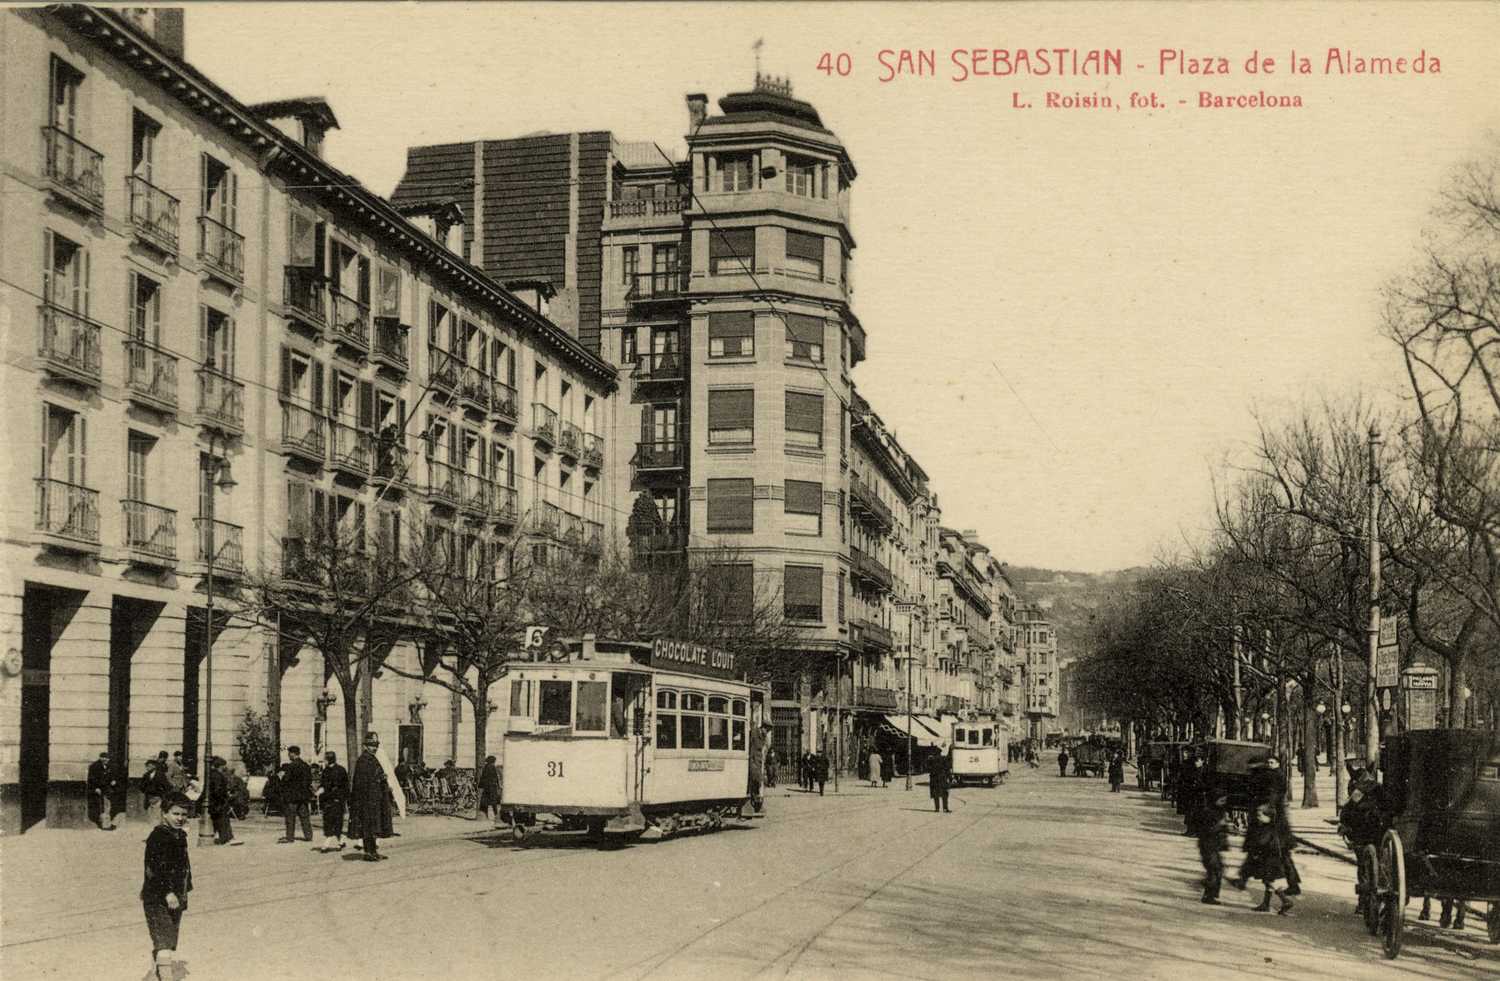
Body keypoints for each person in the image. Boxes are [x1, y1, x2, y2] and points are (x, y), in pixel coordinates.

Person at [141, 794, 193, 981]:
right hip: (158, 897)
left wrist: (185, 890)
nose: (180, 818)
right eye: (175, 813)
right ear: (164, 814)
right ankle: (165, 977)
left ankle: (155, 974)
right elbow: (154, 869)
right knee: (163, 940)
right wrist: (168, 892)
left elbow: (184, 865)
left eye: (184, 814)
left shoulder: (179, 835)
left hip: (177, 895)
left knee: (168, 939)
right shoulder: (158, 836)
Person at [1249, 756, 1300, 896]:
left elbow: (1273, 801)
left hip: (1277, 830)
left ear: (1277, 763)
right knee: (1285, 858)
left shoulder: (1275, 778)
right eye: (1268, 762)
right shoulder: (1276, 776)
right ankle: (1293, 885)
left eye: (1272, 762)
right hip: (1281, 828)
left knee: (1278, 859)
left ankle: (1289, 888)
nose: (1270, 764)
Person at [1237, 804, 1294, 915]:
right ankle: (1265, 903)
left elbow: (1262, 843)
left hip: (1268, 860)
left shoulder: (1267, 829)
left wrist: (1255, 851)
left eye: (1260, 815)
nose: (1258, 817)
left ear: (1268, 816)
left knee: (1269, 881)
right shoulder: (1272, 827)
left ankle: (1285, 900)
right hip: (1273, 859)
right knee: (1267, 881)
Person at [350, 732, 391, 861]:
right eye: (371, 745)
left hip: (375, 799)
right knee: (368, 827)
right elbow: (361, 782)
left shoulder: (373, 759)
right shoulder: (363, 761)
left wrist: (382, 779)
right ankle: (368, 852)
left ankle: (373, 851)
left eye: (376, 745)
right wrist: (378, 779)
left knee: (374, 826)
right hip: (366, 800)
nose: (374, 747)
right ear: (365, 746)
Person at [1195, 793, 1231, 904]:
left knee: (1217, 870)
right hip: (1208, 846)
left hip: (1214, 846)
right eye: (1221, 800)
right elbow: (1207, 830)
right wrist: (1220, 824)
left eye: (1225, 800)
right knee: (1214, 871)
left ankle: (1210, 893)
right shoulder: (1208, 813)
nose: (1223, 803)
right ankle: (1208, 895)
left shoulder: (1220, 812)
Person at [277, 746, 314, 843]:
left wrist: (281, 777)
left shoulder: (291, 766)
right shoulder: (306, 766)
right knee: (304, 816)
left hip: (292, 796)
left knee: (290, 817)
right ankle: (308, 836)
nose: (288, 755)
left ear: (293, 753)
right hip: (303, 796)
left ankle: (290, 837)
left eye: (289, 753)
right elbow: (309, 780)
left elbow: (286, 780)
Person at [318, 751, 349, 852]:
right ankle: (341, 841)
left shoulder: (339, 770)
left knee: (333, 821)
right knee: (331, 821)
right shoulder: (326, 770)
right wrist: (319, 791)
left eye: (325, 759)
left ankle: (326, 844)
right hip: (328, 800)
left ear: (328, 760)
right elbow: (323, 784)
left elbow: (344, 786)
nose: (324, 761)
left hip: (336, 800)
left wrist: (343, 798)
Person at [207, 757, 240, 845]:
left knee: (221, 819)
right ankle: (227, 838)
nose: (224, 768)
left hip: (215, 802)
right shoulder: (217, 775)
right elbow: (218, 790)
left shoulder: (212, 774)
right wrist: (225, 796)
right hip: (218, 802)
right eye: (223, 766)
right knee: (223, 819)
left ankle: (226, 837)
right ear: (220, 766)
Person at [87, 751, 118, 830]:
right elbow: (91, 779)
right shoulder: (94, 766)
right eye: (103, 757)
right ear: (100, 758)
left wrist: (113, 780)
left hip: (107, 789)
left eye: (107, 758)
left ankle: (107, 823)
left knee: (108, 806)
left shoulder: (109, 766)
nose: (105, 759)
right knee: (100, 807)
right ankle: (102, 824)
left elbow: (112, 776)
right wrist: (95, 788)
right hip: (98, 789)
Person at [478, 755, 501, 824]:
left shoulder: (486, 767)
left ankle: (485, 816)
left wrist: (480, 786)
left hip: (487, 787)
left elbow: (483, 777)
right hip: (492, 787)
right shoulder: (493, 767)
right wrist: (498, 786)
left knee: (484, 803)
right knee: (493, 803)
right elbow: (496, 778)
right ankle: (496, 816)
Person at [930, 744, 952, 813]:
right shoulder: (943, 759)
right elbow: (947, 768)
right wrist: (950, 777)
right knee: (944, 794)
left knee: (936, 794)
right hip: (943, 778)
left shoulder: (932, 760)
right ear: (940, 753)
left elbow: (928, 768)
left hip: (934, 779)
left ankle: (937, 809)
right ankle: (945, 808)